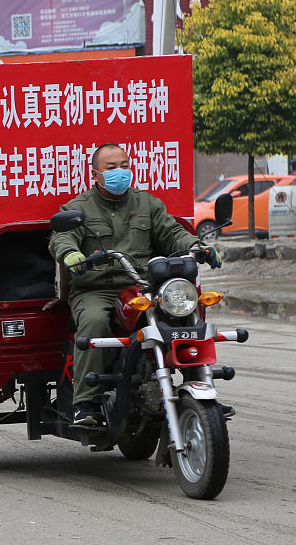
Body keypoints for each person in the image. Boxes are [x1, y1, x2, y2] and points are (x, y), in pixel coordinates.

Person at [49, 143, 218, 427]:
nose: (120, 173)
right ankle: (85, 403)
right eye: (111, 168)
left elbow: (173, 232)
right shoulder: (78, 207)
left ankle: (199, 384)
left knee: (184, 314)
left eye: (124, 166)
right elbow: (61, 237)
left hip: (142, 287)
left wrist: (196, 246)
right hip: (96, 289)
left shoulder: (147, 204)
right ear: (95, 174)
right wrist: (70, 253)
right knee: (93, 323)